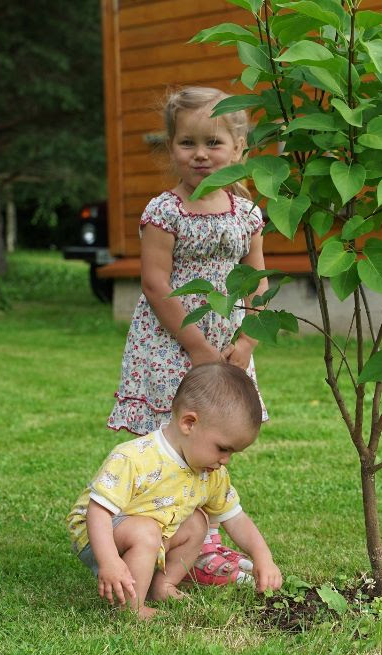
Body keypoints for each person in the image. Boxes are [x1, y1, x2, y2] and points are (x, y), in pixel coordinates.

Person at [107, 86, 269, 577]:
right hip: (173, 345)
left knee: (214, 440)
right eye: (187, 143)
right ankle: (151, 535)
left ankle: (204, 540)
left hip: (227, 347)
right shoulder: (166, 212)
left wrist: (244, 342)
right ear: (172, 147)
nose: (200, 154)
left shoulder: (247, 215)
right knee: (167, 443)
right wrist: (198, 348)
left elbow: (257, 282)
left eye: (214, 143)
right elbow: (156, 285)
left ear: (240, 150)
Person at [69, 363, 283, 619]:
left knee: (197, 522)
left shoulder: (211, 473)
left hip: (153, 529)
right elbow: (98, 512)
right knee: (145, 532)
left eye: (233, 453)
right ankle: (131, 608)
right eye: (223, 448)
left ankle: (163, 584)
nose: (226, 460)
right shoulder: (135, 458)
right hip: (98, 533)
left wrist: (263, 556)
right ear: (189, 423)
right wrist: (109, 562)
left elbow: (235, 518)